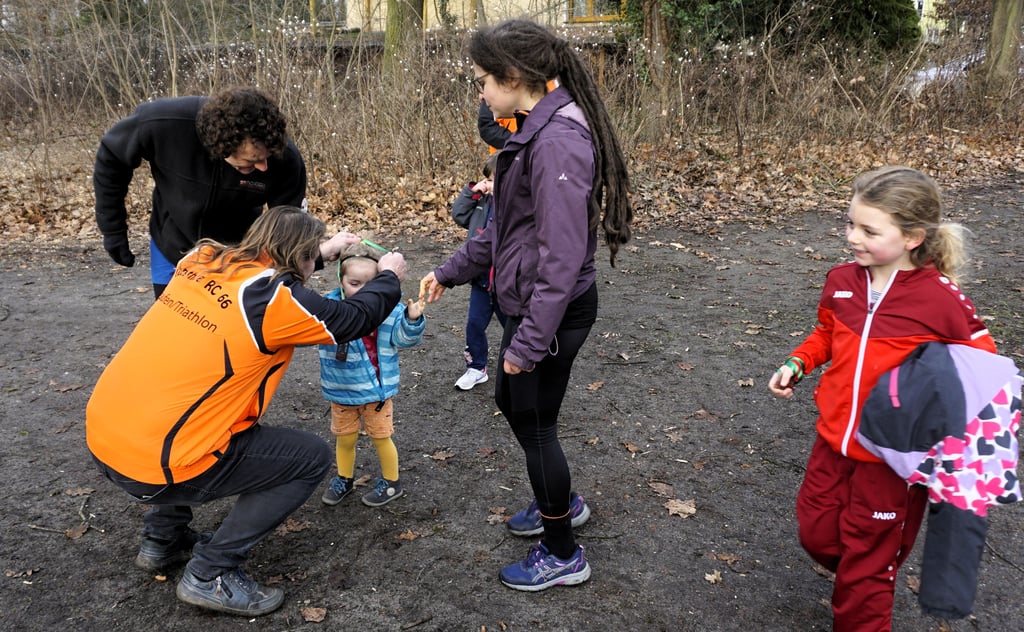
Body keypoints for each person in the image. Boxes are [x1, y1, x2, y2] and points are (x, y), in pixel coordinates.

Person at [86, 206, 408, 617]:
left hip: (108, 435)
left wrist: (323, 251)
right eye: (311, 257)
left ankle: (162, 540)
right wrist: (389, 277)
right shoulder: (275, 300)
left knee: (187, 413)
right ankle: (210, 573)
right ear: (300, 259)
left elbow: (270, 269)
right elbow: (354, 318)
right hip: (158, 464)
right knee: (310, 458)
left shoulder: (200, 258)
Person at [419, 19, 632, 592]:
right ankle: (558, 500)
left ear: (516, 77)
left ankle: (563, 551)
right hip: (532, 303)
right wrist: (450, 270)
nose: (481, 93)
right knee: (520, 408)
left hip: (552, 312)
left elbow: (561, 259)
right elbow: (507, 230)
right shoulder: (534, 131)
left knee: (533, 421)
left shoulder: (558, 139)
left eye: (484, 81)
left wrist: (530, 341)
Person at [767, 166, 997, 631]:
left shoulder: (942, 301)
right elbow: (826, 334)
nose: (853, 237)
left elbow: (984, 376)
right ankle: (871, 560)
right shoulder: (841, 281)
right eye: (850, 224)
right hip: (833, 441)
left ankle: (871, 572)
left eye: (869, 230)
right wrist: (798, 362)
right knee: (817, 535)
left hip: (893, 460)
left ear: (912, 237)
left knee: (866, 571)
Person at [93, 86, 307, 299]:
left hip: (237, 253)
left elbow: (290, 226)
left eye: (266, 157)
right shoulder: (164, 123)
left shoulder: (285, 158)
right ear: (223, 146)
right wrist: (113, 230)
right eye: (253, 160)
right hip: (171, 243)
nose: (263, 167)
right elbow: (112, 158)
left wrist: (300, 268)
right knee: (176, 321)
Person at [319, 253, 426, 507]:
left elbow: (403, 339)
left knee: (381, 438)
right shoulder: (328, 310)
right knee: (344, 438)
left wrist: (411, 320)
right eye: (354, 284)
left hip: (377, 393)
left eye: (370, 284)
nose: (363, 291)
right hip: (341, 390)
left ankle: (392, 483)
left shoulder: (388, 310)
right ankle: (344, 478)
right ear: (340, 280)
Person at [450, 154, 505, 390]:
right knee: (474, 324)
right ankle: (476, 367)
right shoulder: (482, 203)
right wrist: (474, 190)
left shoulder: (516, 208)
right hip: (481, 280)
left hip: (507, 283)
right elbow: (459, 215)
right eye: (488, 180)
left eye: (494, 180)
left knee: (514, 327)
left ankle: (521, 364)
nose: (490, 185)